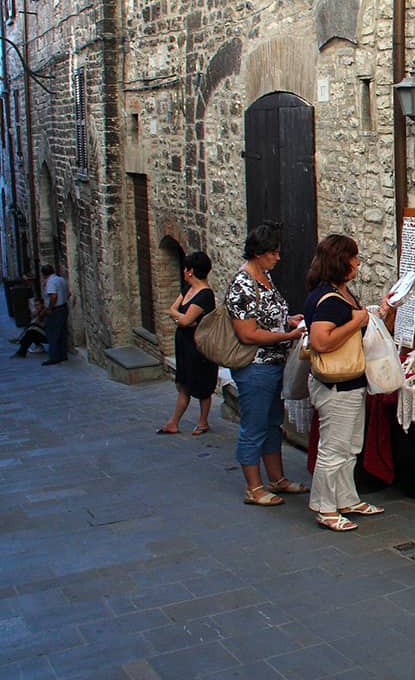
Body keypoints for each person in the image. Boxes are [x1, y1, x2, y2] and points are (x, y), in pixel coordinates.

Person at [303, 234, 385, 532]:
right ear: (341, 262)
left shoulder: (341, 293)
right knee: (333, 448)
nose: (358, 263)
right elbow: (320, 341)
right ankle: (325, 507)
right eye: (353, 258)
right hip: (335, 385)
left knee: (351, 446)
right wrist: (356, 322)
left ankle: (347, 498)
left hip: (351, 381)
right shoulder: (327, 300)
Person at [226, 223, 307, 507]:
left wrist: (289, 320)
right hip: (255, 366)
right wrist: (287, 335)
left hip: (274, 364)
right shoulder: (243, 285)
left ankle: (277, 478)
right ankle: (253, 486)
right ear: (259, 253)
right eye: (273, 253)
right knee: (254, 424)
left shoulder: (265, 278)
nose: (278, 257)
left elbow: (269, 317)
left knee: (273, 423)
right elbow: (247, 333)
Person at [157, 252, 219, 435]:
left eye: (185, 268)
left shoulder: (205, 295)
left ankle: (203, 422)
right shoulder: (187, 290)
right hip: (184, 344)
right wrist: (182, 319)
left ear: (191, 271)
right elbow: (173, 311)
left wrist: (182, 320)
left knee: (201, 383)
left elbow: (185, 321)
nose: (184, 271)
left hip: (198, 346)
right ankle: (173, 422)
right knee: (184, 382)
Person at [40, 265, 69, 366]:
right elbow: (68, 293)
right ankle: (63, 354)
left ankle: (54, 357)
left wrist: (49, 308)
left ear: (44, 274)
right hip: (64, 307)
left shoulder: (50, 282)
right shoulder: (61, 279)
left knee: (53, 333)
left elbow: (53, 296)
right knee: (62, 332)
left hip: (56, 310)